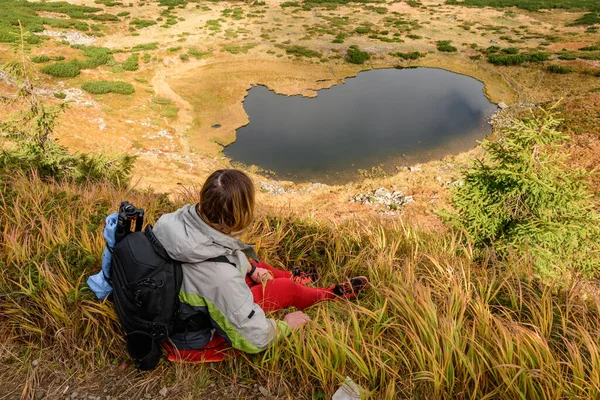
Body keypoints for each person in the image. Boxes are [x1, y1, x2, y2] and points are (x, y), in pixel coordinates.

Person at [152, 169, 369, 362]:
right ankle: (330, 294)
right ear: (240, 216)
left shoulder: (178, 221)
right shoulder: (221, 278)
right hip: (192, 339)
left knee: (253, 263)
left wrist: (252, 269)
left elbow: (217, 253)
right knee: (284, 290)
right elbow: (253, 339)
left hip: (183, 299)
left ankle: (292, 276)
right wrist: (286, 325)